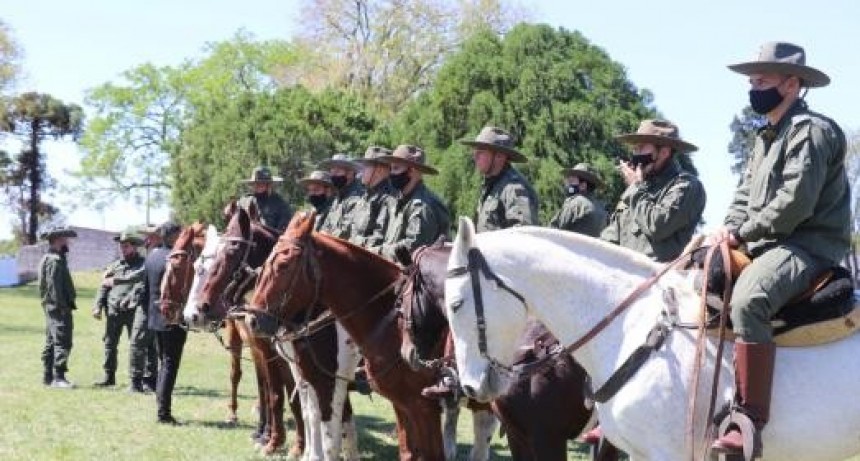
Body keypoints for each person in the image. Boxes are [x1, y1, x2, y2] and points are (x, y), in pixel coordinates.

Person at [708, 42, 850, 456]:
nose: (753, 88)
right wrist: (726, 230)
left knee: (749, 299)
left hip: (808, 244)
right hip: (767, 242)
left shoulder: (812, 131)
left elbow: (794, 204)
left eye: (762, 81)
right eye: (752, 81)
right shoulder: (764, 136)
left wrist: (742, 234)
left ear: (791, 84)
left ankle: (748, 421)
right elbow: (742, 194)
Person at [600, 119, 706, 263]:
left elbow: (658, 226)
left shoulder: (686, 185)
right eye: (635, 149)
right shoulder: (640, 187)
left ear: (664, 153)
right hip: (622, 272)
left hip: (659, 274)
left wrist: (634, 188)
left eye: (641, 148)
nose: (635, 154)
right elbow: (611, 237)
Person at [371, 144, 450, 262]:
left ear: (411, 171)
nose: (391, 174)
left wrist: (377, 252)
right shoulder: (400, 200)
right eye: (391, 168)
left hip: (422, 272)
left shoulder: (422, 205)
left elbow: (411, 249)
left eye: (396, 168)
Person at [92, 231, 148, 392]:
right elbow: (104, 286)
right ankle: (109, 377)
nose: (123, 249)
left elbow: (140, 285)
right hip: (113, 311)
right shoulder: (115, 265)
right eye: (121, 246)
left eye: (126, 246)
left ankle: (138, 379)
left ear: (134, 247)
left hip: (133, 311)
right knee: (110, 344)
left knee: (137, 345)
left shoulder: (143, 265)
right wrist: (98, 305)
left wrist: (130, 298)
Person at [144, 221, 187, 425]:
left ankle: (161, 406)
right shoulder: (175, 258)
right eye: (180, 234)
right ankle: (163, 412)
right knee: (170, 364)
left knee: (164, 362)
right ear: (172, 236)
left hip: (154, 317)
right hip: (171, 317)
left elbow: (145, 290)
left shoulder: (151, 256)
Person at [461, 126, 539, 232]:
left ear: (499, 156)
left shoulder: (513, 188)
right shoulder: (491, 185)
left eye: (481, 152)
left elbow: (524, 233)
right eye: (475, 152)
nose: (475, 157)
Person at [38, 226, 78, 389]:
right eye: (65, 239)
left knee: (51, 340)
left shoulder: (52, 258)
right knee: (62, 341)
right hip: (58, 308)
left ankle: (48, 376)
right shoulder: (54, 260)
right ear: (58, 240)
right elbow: (54, 287)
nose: (68, 242)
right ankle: (58, 377)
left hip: (52, 307)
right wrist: (61, 306)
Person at [349, 146, 398, 249]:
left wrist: (353, 241)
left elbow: (379, 239)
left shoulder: (389, 200)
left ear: (379, 170)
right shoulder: (366, 196)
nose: (360, 172)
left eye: (365, 167)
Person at [548, 162, 608, 237]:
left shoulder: (576, 203)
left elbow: (554, 230)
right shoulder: (601, 209)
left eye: (571, 181)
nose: (567, 185)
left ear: (583, 186)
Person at [318, 153, 365, 240]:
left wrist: (324, 236)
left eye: (337, 172)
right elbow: (327, 224)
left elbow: (346, 231)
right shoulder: (337, 198)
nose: (333, 176)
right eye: (331, 172)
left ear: (350, 173)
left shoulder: (358, 197)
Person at [238, 166, 294, 232]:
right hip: (245, 237)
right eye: (256, 183)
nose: (258, 185)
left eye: (262, 183)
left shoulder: (280, 204)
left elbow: (283, 230)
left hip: (270, 237)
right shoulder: (244, 202)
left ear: (269, 185)